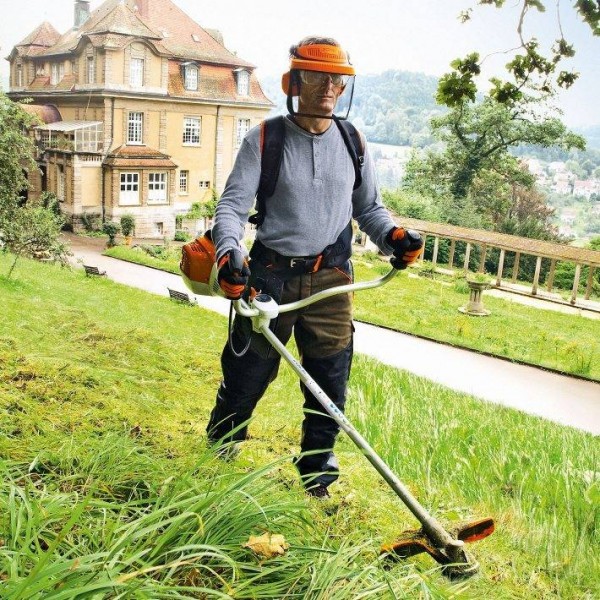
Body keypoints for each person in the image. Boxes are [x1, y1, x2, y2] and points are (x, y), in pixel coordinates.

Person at [208, 36, 423, 498]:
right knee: (246, 375)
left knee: (329, 383)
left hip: (331, 278)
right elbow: (231, 207)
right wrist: (229, 253)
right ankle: (219, 453)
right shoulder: (265, 139)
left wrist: (394, 237)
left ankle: (316, 476)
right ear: (296, 80)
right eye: (317, 75)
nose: (329, 86)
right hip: (267, 276)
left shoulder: (353, 140)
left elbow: (370, 209)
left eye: (338, 79)